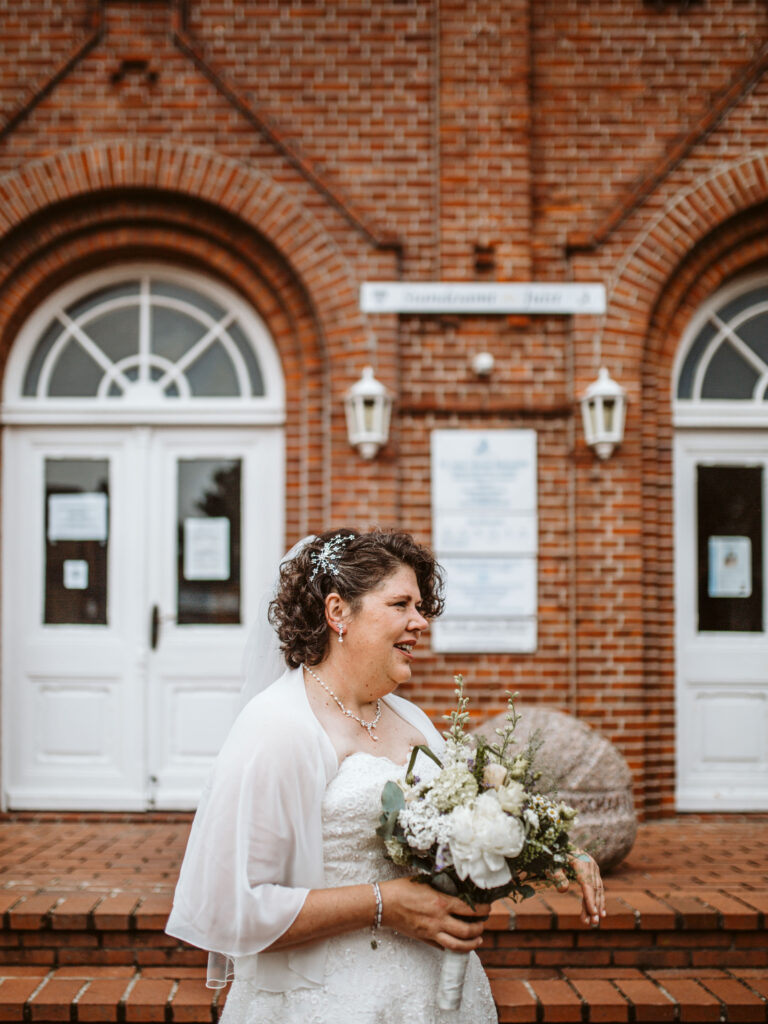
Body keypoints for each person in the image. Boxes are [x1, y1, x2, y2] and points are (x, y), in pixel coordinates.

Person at [166, 528, 605, 1024]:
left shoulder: (410, 719)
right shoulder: (278, 726)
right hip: (325, 1001)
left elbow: (469, 820)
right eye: (400, 604)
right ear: (338, 613)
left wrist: (548, 851)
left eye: (420, 606)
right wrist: (383, 904)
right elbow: (232, 908)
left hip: (435, 996)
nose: (420, 621)